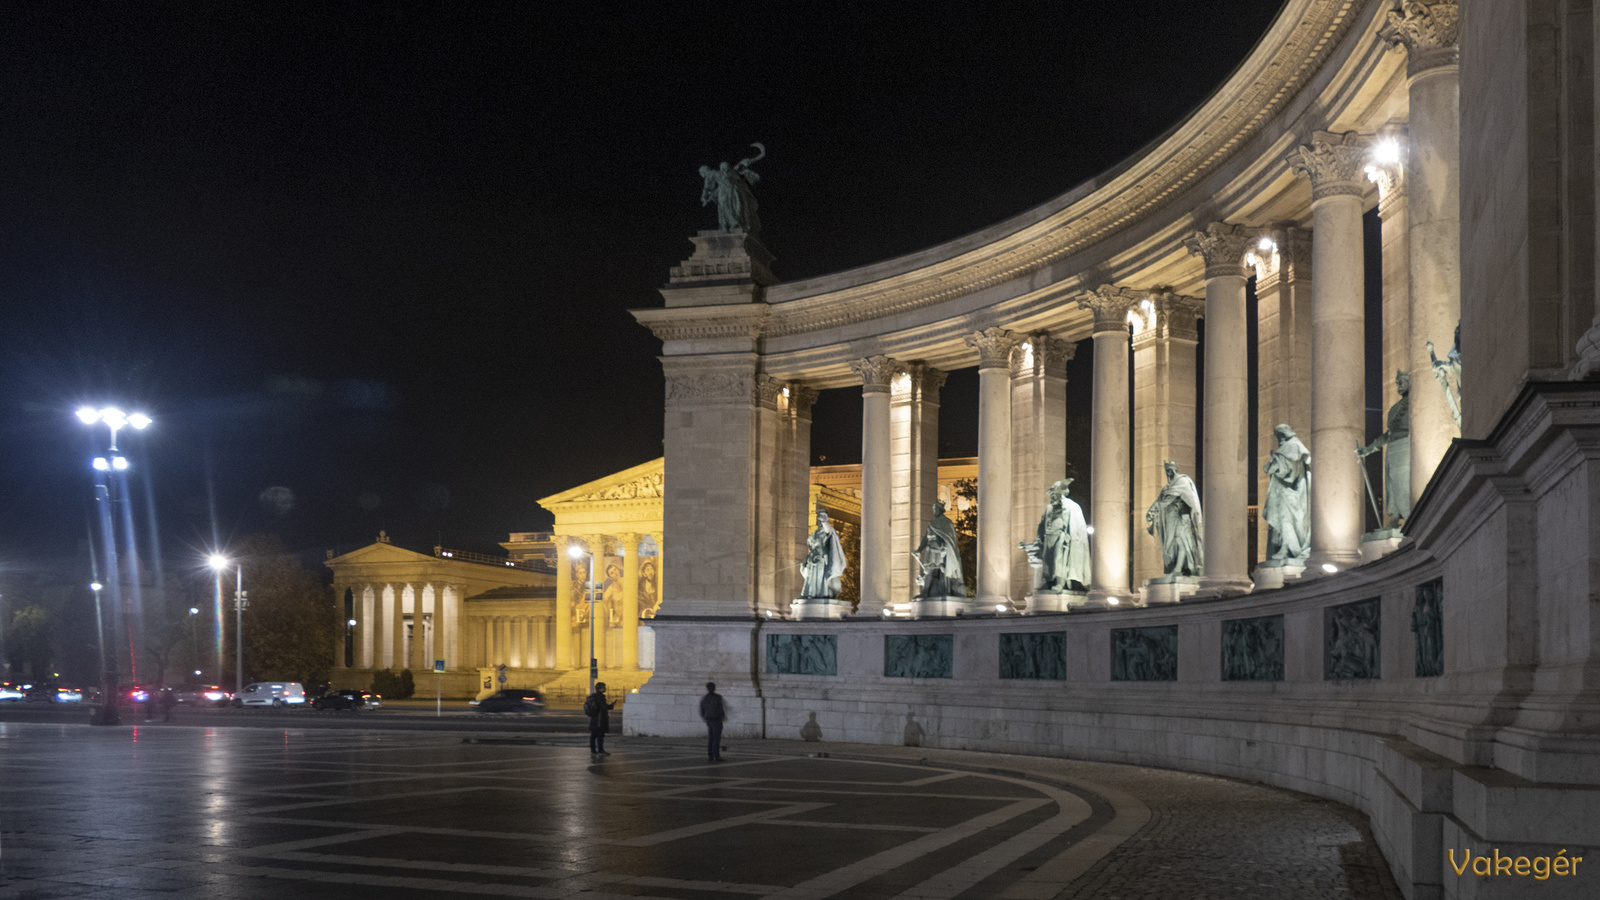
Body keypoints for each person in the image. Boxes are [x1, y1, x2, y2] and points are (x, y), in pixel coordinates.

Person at [1262, 424, 1312, 565]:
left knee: (1286, 521)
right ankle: (1286, 547)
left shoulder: (1292, 446)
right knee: (1285, 522)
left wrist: (1273, 464)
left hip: (1289, 493)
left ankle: (1288, 549)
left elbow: (1286, 472)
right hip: (1286, 493)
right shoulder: (1291, 447)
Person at [1145, 461, 1204, 576]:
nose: (1168, 473)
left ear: (1174, 470)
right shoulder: (1168, 486)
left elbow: (1168, 499)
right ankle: (1178, 569)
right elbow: (1160, 499)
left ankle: (1181, 568)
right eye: (1166, 470)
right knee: (1175, 543)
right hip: (1172, 519)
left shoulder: (1182, 481)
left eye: (1169, 470)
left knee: (1182, 542)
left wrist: (1155, 508)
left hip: (1182, 517)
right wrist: (1151, 511)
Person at [915, 500, 966, 599]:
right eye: (933, 509)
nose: (934, 511)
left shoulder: (947, 522)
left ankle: (944, 590)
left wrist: (945, 548)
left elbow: (949, 538)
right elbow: (926, 538)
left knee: (942, 569)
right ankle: (925, 591)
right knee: (928, 570)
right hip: (930, 549)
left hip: (940, 549)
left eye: (936, 509)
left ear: (940, 510)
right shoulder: (932, 523)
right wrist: (919, 549)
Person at [800, 510, 847, 599]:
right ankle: (810, 594)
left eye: (821, 518)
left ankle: (823, 594)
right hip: (813, 557)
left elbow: (828, 532)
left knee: (821, 577)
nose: (819, 521)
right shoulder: (815, 533)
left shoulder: (828, 530)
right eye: (819, 519)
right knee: (812, 577)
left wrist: (824, 522)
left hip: (822, 558)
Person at [583, 682, 616, 759]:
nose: (605, 689)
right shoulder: (600, 696)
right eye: (604, 687)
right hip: (600, 719)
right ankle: (600, 750)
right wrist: (611, 706)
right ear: (600, 688)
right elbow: (603, 707)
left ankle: (593, 750)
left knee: (593, 735)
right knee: (600, 735)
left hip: (594, 718)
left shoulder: (593, 696)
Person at [700, 682, 725, 762]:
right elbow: (720, 709)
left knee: (711, 738)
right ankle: (716, 756)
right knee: (716, 739)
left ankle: (710, 755)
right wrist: (722, 716)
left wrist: (704, 717)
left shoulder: (704, 698)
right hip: (716, 719)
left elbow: (702, 710)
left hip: (709, 719)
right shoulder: (718, 697)